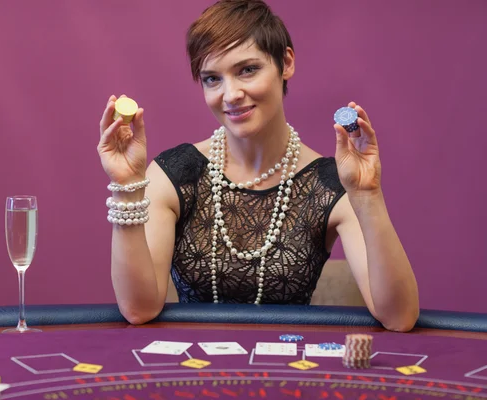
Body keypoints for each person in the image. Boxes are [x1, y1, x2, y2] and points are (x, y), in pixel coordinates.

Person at [97, 0, 419, 331]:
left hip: (291, 369)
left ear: (286, 63)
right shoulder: (176, 174)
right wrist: (127, 185)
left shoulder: (331, 184)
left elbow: (399, 316)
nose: (231, 94)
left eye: (247, 70)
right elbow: (139, 309)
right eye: (212, 79)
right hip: (193, 368)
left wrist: (367, 195)